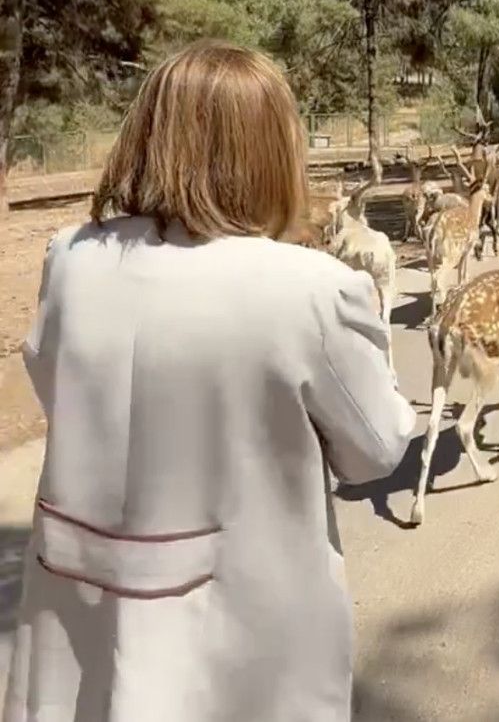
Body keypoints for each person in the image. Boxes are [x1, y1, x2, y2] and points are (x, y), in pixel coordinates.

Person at [2, 40, 417, 722]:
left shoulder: (70, 258)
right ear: (273, 153)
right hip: (237, 654)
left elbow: (58, 386)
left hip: (81, 627)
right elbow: (375, 449)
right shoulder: (314, 290)